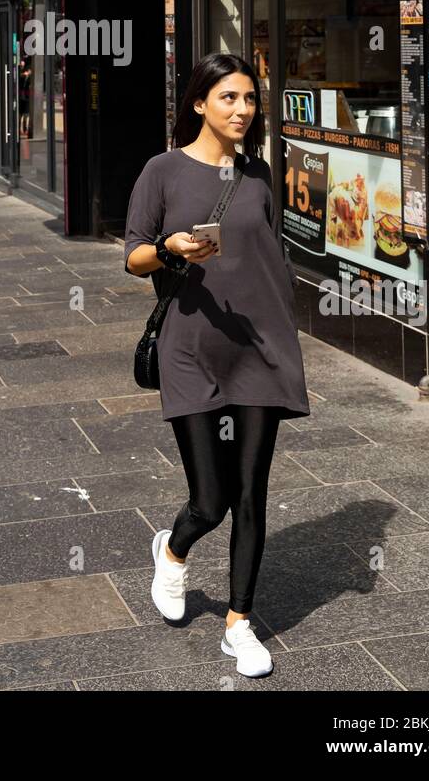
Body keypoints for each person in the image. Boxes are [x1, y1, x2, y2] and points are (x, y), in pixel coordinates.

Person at [123, 51, 310, 679]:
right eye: (229, 97)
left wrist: (285, 328)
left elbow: (272, 255)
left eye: (251, 99)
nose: (243, 109)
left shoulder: (259, 174)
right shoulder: (163, 170)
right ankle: (173, 551)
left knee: (252, 492)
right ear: (199, 103)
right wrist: (170, 250)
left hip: (258, 348)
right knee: (211, 500)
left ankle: (239, 625)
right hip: (190, 348)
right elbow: (132, 257)